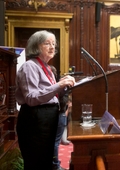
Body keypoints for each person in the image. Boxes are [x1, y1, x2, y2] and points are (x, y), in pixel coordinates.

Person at [15, 30, 76, 169]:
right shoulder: (30, 66)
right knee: (36, 162)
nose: (52, 47)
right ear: (36, 46)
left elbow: (51, 94)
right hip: (35, 119)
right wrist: (58, 85)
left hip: (47, 117)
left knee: (46, 161)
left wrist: (65, 86)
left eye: (54, 44)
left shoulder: (47, 68)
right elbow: (31, 98)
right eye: (47, 43)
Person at [53, 92, 72, 170]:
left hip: (61, 115)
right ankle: (55, 165)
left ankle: (55, 163)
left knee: (56, 141)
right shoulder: (63, 95)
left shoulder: (61, 93)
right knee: (56, 142)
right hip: (61, 115)